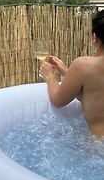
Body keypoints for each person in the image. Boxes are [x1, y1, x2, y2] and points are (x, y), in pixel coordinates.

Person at [39, 9, 104, 137]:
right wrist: (67, 73)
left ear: (94, 37)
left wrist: (50, 76)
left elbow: (58, 101)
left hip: (98, 146)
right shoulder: (86, 69)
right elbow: (93, 94)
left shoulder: (84, 65)